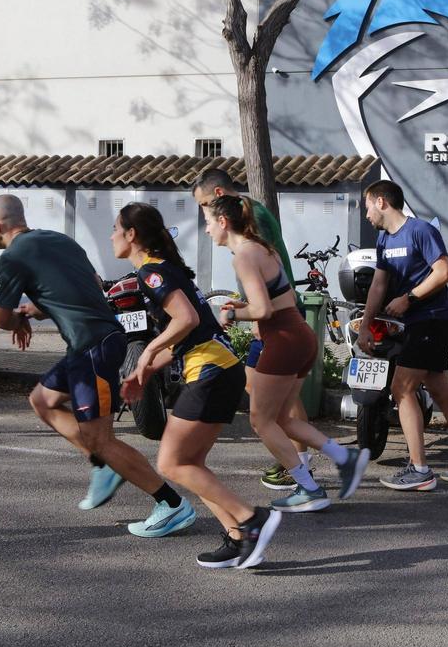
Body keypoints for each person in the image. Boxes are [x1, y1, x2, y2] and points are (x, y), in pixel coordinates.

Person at [0, 195, 196, 539]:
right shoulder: (60, 240)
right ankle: (102, 464)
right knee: (42, 400)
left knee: (102, 439)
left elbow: (1, 318)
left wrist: (18, 321)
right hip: (91, 343)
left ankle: (171, 504)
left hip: (92, 347)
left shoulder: (11, 257)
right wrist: (38, 310)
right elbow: (91, 285)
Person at [115, 202, 279, 569]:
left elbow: (185, 320)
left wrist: (146, 353)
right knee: (192, 463)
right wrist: (141, 373)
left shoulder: (152, 273)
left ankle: (251, 519)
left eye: (115, 228)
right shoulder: (163, 269)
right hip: (217, 368)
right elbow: (183, 338)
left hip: (211, 371)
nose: (111, 235)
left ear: (131, 235)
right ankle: (237, 537)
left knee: (172, 464)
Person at [205, 195, 370, 514]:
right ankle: (345, 459)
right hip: (300, 335)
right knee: (281, 418)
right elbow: (285, 296)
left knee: (260, 420)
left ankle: (309, 488)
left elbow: (263, 309)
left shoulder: (242, 255)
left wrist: (230, 316)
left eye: (209, 223)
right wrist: (245, 308)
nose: (208, 230)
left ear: (223, 223)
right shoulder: (265, 248)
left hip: (282, 340)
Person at [357, 180, 448, 491]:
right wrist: (365, 324)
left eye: (367, 207)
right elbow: (379, 285)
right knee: (443, 395)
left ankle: (419, 470)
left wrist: (409, 299)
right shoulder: (384, 240)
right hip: (418, 325)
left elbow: (444, 272)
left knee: (402, 389)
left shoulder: (420, 230)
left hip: (432, 321)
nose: (366, 215)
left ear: (381, 202)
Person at [191, 167, 312, 492]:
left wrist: (256, 316)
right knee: (258, 388)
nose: (204, 216)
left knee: (277, 404)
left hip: (274, 316)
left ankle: (301, 464)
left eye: (203, 206)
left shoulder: (249, 216)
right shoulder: (249, 210)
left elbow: (265, 269)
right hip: (269, 312)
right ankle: (299, 457)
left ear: (218, 197)